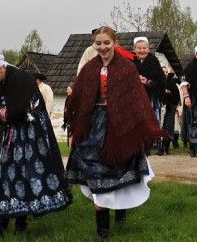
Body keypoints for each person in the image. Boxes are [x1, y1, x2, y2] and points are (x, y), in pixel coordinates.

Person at [66, 27, 164, 242]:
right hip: (93, 126)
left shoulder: (126, 67)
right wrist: (76, 126)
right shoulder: (90, 68)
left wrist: (139, 128)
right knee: (96, 170)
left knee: (118, 165)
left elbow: (137, 99)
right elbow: (79, 97)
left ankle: (120, 210)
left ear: (115, 43)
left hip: (119, 125)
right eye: (98, 43)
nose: (102, 47)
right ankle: (103, 232)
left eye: (106, 43)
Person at [0, 53, 72, 241]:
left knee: (24, 175)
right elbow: (2, 111)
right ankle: (1, 226)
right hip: (17, 133)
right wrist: (4, 113)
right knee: (9, 175)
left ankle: (17, 224)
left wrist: (4, 114)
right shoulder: (4, 79)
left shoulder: (19, 79)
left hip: (30, 136)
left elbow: (16, 111)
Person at [132, 36, 166, 156]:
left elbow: (162, 81)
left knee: (150, 122)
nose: (142, 50)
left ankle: (152, 146)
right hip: (134, 99)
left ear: (148, 49)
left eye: (144, 48)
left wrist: (148, 81)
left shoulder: (153, 61)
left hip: (150, 98)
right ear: (135, 49)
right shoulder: (130, 62)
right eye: (139, 48)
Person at [162, 65, 180, 153]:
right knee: (159, 127)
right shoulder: (157, 82)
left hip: (169, 109)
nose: (164, 74)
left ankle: (166, 148)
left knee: (168, 129)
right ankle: (159, 148)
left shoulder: (171, 82)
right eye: (163, 72)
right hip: (160, 108)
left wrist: (169, 93)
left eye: (166, 72)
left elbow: (177, 96)